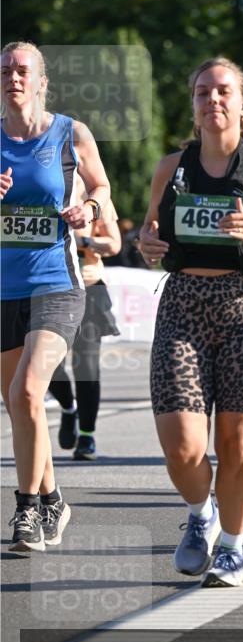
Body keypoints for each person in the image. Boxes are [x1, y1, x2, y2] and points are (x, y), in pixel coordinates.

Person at [138, 57, 243, 587]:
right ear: (193, 107)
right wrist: (147, 245)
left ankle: (233, 548)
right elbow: (150, 235)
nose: (213, 99)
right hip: (184, 306)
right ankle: (201, 513)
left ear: (242, 105)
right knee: (183, 446)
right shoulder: (171, 168)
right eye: (202, 92)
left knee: (237, 446)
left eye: (223, 92)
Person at [1, 41, 111, 552]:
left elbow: (102, 188)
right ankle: (53, 500)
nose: (13, 78)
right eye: (6, 70)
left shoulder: (70, 133)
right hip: (3, 289)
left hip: (56, 283)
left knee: (27, 391)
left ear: (42, 82)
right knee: (19, 405)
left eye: (23, 70)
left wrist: (88, 206)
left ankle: (25, 511)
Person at [48, 181, 122, 461]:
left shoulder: (95, 195)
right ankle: (69, 407)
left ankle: (87, 437)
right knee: (45, 364)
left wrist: (84, 242)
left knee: (86, 365)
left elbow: (114, 243)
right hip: (48, 287)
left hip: (89, 286)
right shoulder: (42, 184)